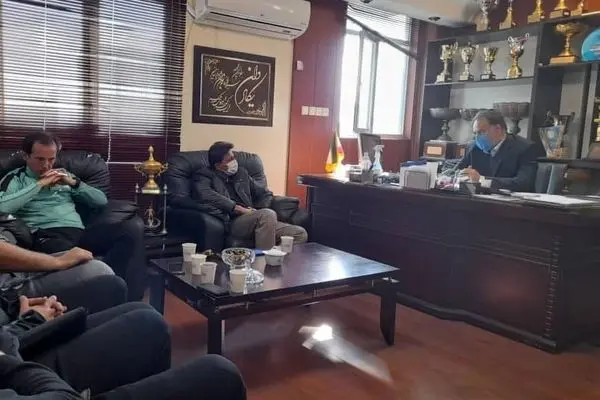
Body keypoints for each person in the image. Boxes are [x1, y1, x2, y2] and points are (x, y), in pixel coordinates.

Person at [0, 132, 146, 300]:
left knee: (130, 230)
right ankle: (101, 288)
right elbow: (3, 207)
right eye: (40, 159)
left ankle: (118, 291)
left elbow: (101, 201)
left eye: (51, 159)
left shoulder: (64, 174)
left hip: (79, 230)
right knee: (77, 263)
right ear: (26, 156)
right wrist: (39, 184)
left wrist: (74, 183)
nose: (47, 165)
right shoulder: (16, 178)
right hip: (46, 234)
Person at [0, 301, 246, 399]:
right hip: (15, 376)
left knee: (148, 319)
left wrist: (24, 322)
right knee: (220, 374)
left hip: (10, 343)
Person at [193, 141, 308, 250]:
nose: (234, 161)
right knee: (267, 214)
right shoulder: (204, 175)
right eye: (230, 160)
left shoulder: (241, 173)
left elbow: (263, 193)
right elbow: (206, 194)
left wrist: (261, 211)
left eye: (234, 157)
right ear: (218, 165)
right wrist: (238, 208)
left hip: (256, 217)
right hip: (233, 221)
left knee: (299, 234)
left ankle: (273, 255)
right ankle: (264, 262)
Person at [458, 109, 538, 192]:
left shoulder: (524, 148)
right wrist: (460, 176)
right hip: (478, 198)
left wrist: (482, 180)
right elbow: (458, 171)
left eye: (481, 132)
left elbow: (524, 183)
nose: (477, 138)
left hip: (511, 199)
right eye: (475, 133)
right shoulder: (473, 148)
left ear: (498, 129)